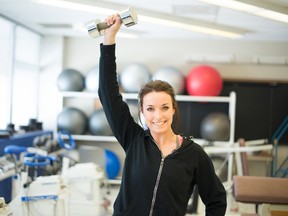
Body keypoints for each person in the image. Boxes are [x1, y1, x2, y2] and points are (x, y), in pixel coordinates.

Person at [98, 13, 227, 216]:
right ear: (142, 111)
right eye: (150, 109)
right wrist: (109, 39)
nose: (158, 116)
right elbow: (108, 95)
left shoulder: (193, 155)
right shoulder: (134, 139)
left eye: (165, 107)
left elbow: (216, 200)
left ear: (174, 109)